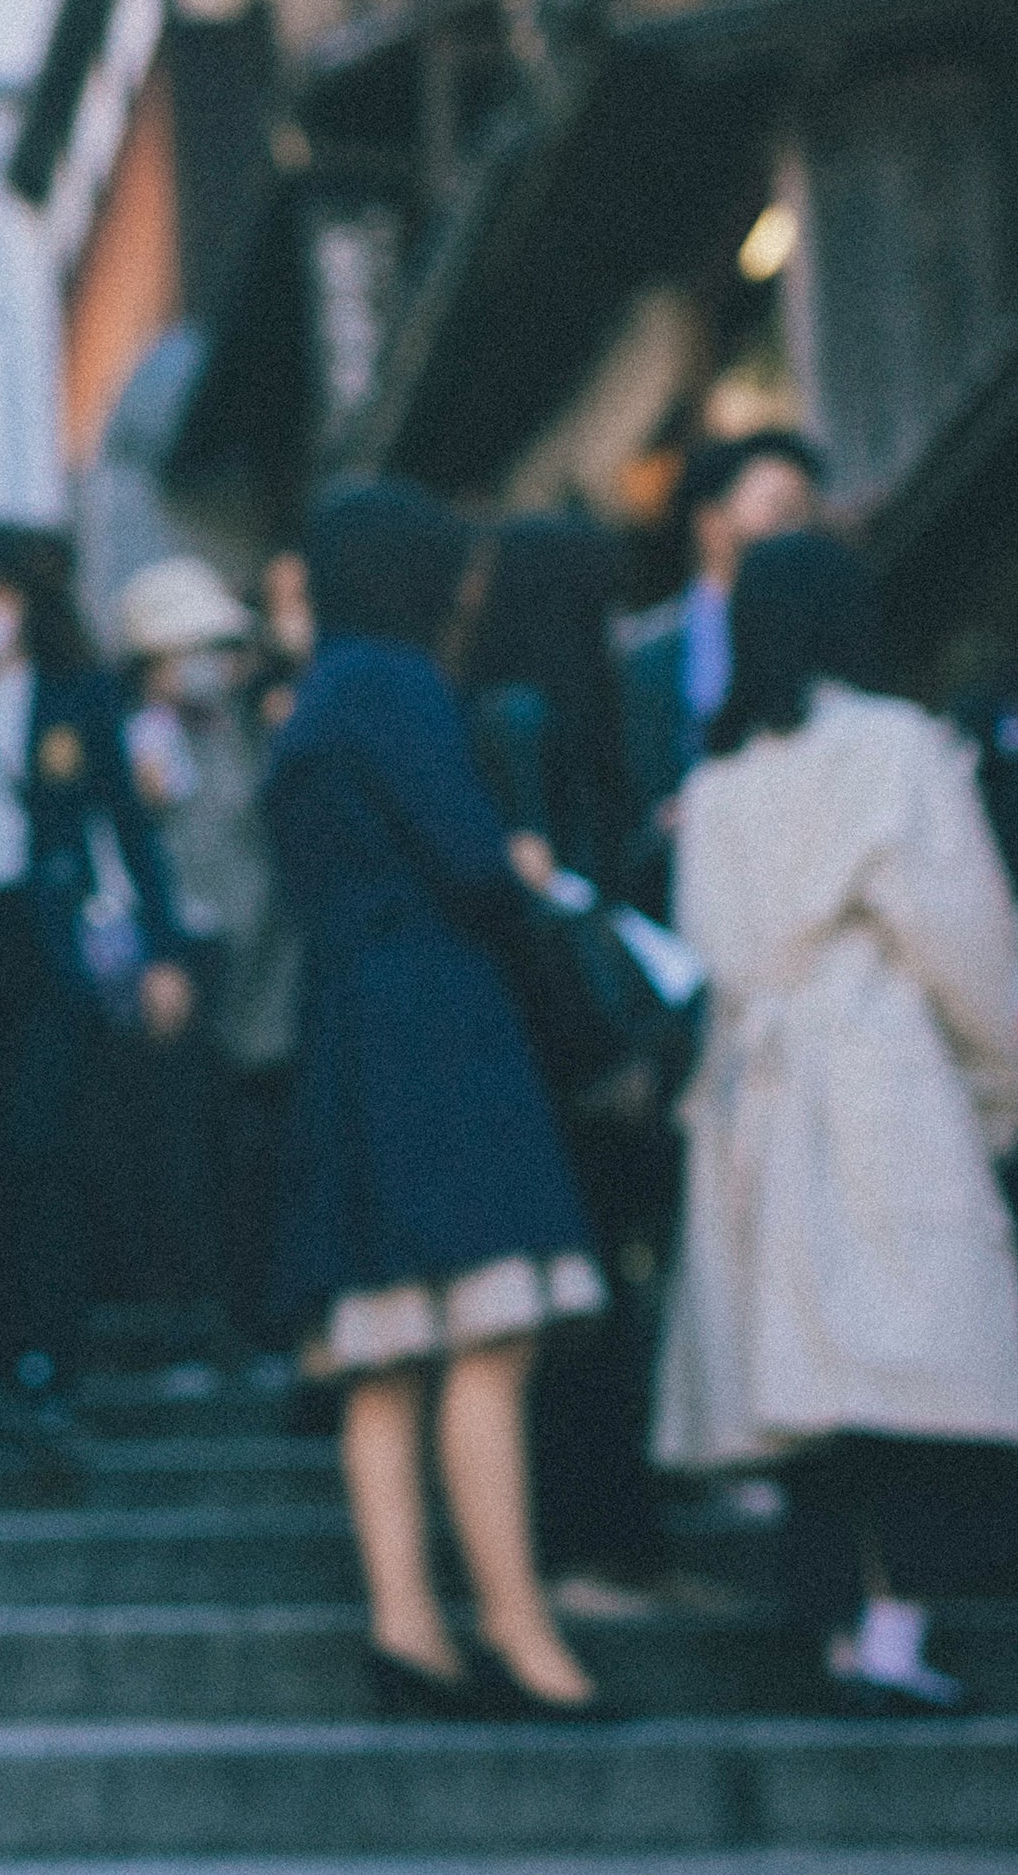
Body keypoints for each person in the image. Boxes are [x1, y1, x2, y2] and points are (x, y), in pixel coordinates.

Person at [655, 531, 1018, 1712]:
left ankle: (832, 1634)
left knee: (801, 1386)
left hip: (754, 1087)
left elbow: (706, 951)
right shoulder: (895, 748)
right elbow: (964, 939)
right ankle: (898, 1633)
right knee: (913, 1368)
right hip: (880, 1073)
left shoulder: (714, 785)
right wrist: (1003, 1085)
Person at [267, 480, 607, 1719]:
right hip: (440, 1022)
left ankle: (408, 1628)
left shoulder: (315, 698)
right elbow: (471, 858)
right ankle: (522, 1632)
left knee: (385, 1350)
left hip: (349, 1025)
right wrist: (521, 867)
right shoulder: (398, 684)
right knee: (487, 1329)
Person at [0, 518, 193, 1457]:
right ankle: (3, 1353)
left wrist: (166, 950)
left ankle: (56, 1354)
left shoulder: (76, 699)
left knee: (45, 1143)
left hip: (44, 944)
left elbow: (128, 831)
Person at [462, 510, 675, 1618]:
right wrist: (607, 1050)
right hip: (566, 1047)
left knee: (574, 1300)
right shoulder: (544, 718)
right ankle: (589, 1547)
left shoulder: (497, 707)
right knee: (586, 1299)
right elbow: (555, 897)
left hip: (529, 1048)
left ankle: (597, 1543)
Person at [116, 554, 291, 1371]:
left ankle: (251, 1317)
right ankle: (185, 1320)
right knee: (176, 1154)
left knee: (248, 1155)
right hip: (172, 966)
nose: (206, 666)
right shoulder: (130, 742)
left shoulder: (249, 732)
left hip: (258, 969)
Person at [617, 428, 827, 888]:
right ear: (711, 523)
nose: (797, 531)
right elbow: (639, 806)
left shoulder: (825, 624)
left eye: (805, 512)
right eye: (779, 510)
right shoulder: (650, 658)